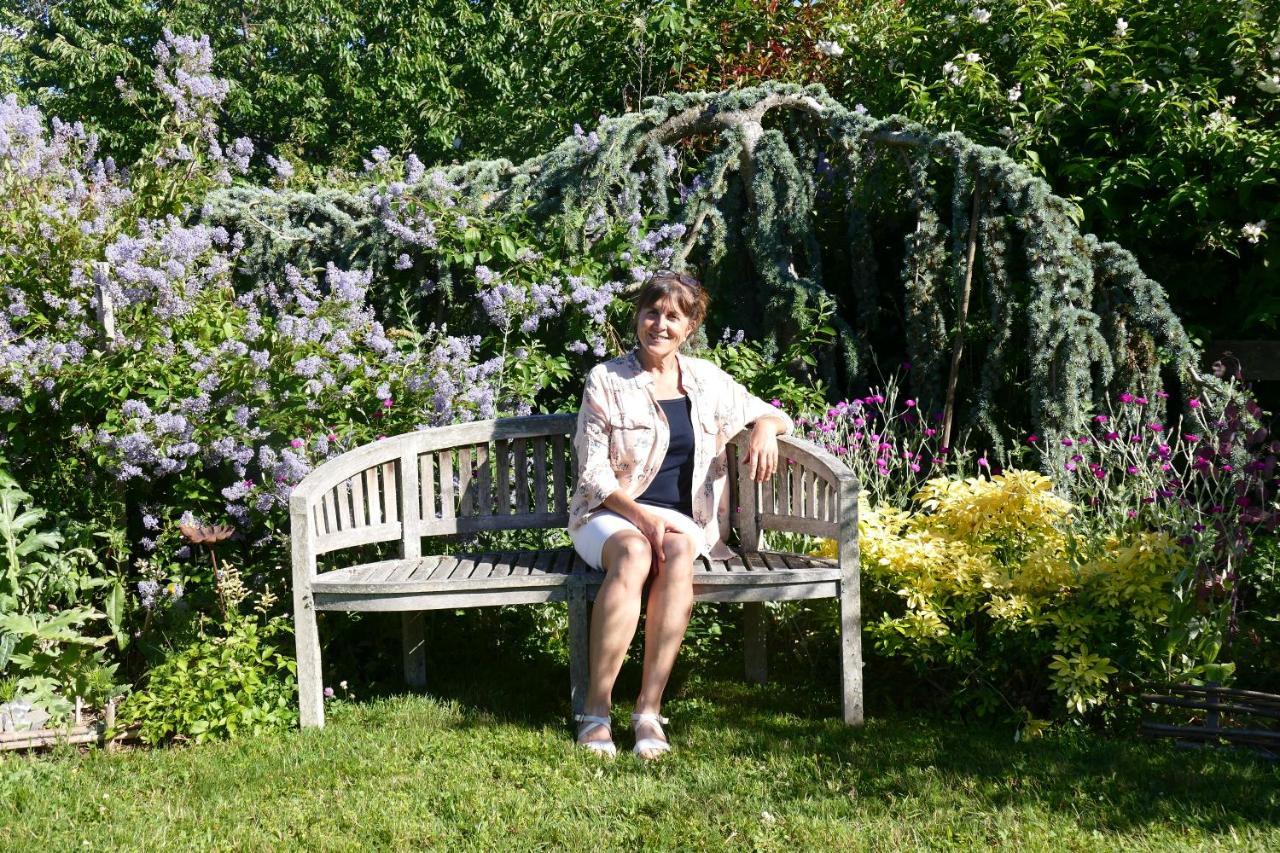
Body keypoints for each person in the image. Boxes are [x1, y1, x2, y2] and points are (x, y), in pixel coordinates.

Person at [567, 270, 793, 758]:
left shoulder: (707, 381)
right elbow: (593, 476)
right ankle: (596, 712)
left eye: (673, 316)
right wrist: (641, 519)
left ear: (690, 327)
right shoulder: (606, 380)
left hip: (681, 520)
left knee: (675, 551)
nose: (660, 325)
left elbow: (770, 411)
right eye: (652, 312)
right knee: (633, 553)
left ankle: (648, 712)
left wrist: (766, 428)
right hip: (607, 515)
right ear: (638, 317)